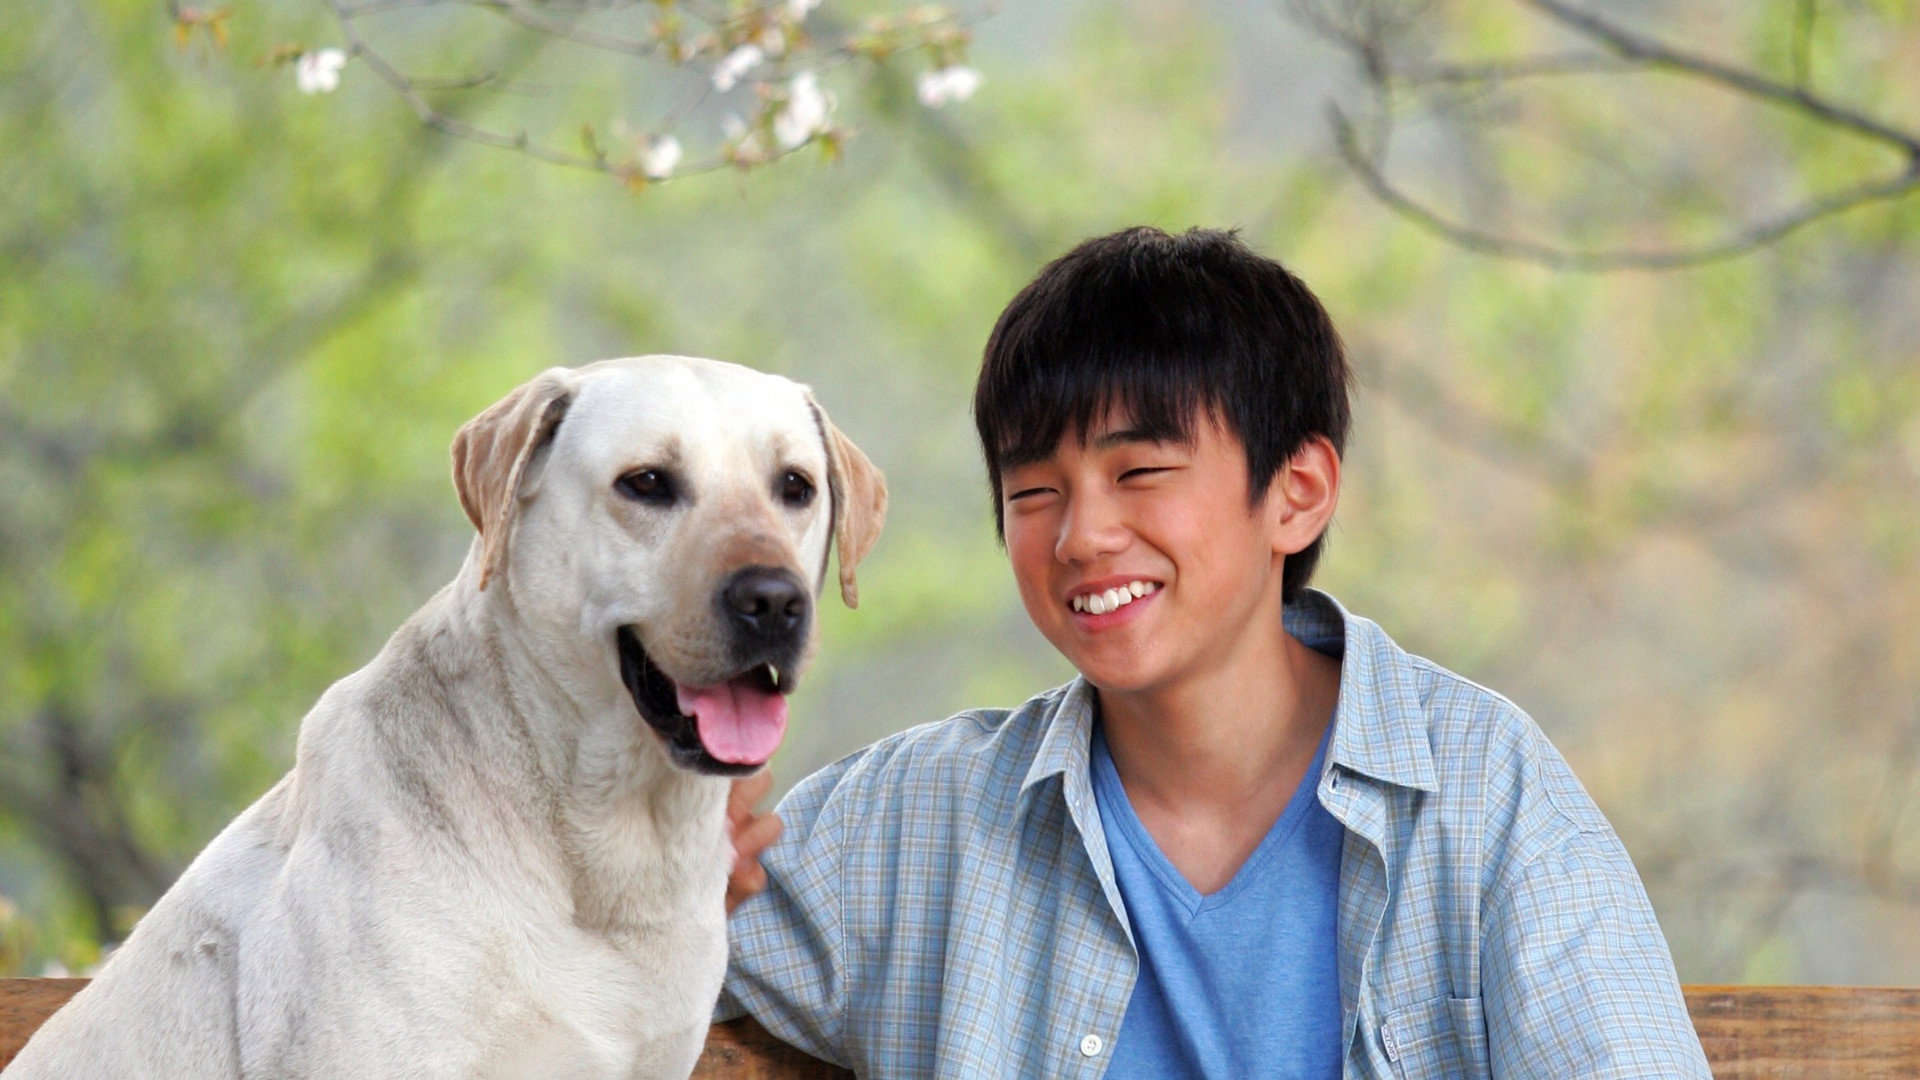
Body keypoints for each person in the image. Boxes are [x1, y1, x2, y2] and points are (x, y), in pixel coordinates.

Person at [716, 226, 1712, 1078]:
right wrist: (670, 867)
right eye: (1034, 492)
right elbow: (651, 937)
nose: (1081, 536)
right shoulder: (910, 824)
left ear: (1297, 493)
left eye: (1140, 472)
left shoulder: (1481, 793)